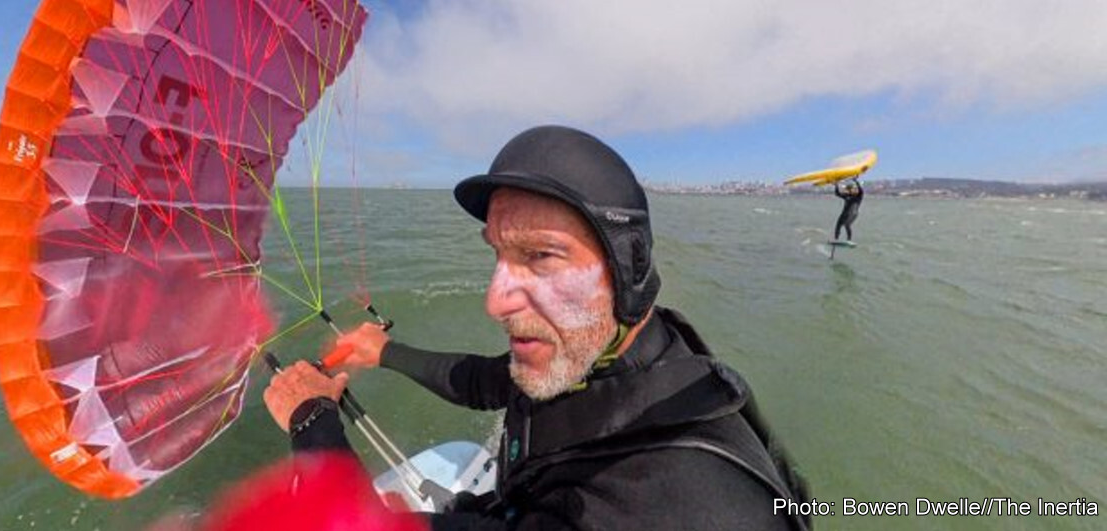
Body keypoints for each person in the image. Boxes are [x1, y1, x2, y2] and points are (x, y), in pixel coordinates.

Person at [264, 125, 812, 530]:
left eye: (543, 256)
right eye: (499, 254)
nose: (495, 300)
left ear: (628, 268)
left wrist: (313, 420)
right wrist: (383, 350)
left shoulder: (654, 509)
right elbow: (490, 382)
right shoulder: (610, 351)